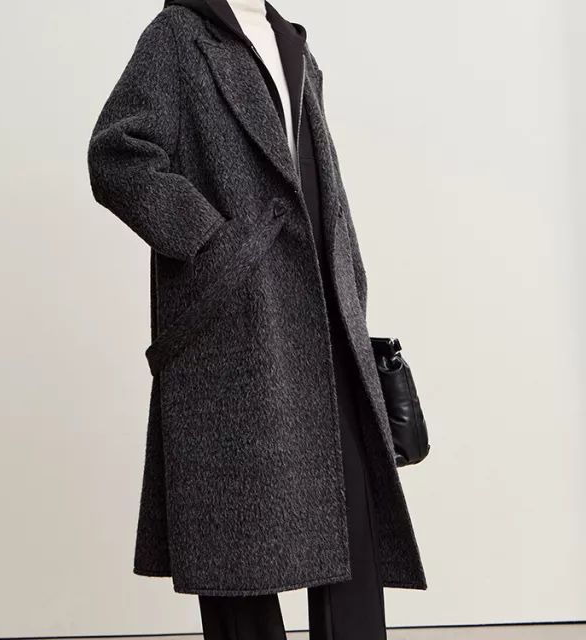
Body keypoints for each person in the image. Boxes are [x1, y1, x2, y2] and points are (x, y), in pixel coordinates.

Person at [87, 0, 427, 638]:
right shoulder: (178, 35)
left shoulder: (293, 44)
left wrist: (352, 284)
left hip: (324, 313)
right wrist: (212, 242)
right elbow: (117, 153)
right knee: (236, 538)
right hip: (234, 319)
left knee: (352, 521)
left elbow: (324, 186)